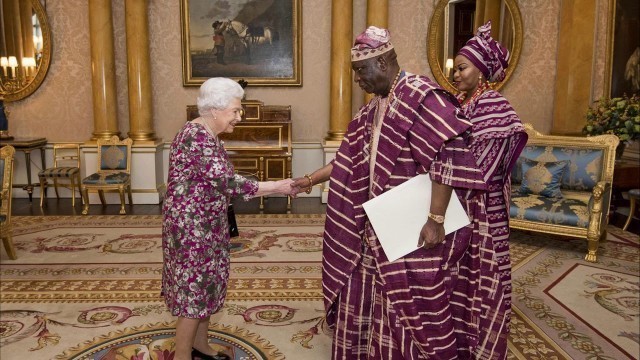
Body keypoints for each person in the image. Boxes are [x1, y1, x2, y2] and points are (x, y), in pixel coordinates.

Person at [291, 26, 490, 359]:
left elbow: (446, 157)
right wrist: (310, 180)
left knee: (414, 305)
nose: (357, 80)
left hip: (412, 227)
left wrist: (436, 219)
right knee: (367, 291)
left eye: (361, 71)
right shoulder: (375, 105)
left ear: (382, 62)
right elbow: (348, 159)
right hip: (377, 224)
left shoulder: (420, 95)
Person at [162, 78, 294, 360]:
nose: (239, 116)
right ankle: (182, 355)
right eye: (235, 110)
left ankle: (200, 345)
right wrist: (276, 187)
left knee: (207, 284)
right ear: (214, 109)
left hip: (207, 223)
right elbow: (227, 182)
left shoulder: (208, 134)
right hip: (192, 228)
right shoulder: (195, 136)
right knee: (193, 292)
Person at [448, 21, 527, 358]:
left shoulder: (494, 106)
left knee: (481, 274)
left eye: (462, 67)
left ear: (481, 70)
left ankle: (482, 339)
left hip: (482, 208)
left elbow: (482, 169)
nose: (456, 74)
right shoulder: (465, 104)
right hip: (458, 203)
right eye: (455, 67)